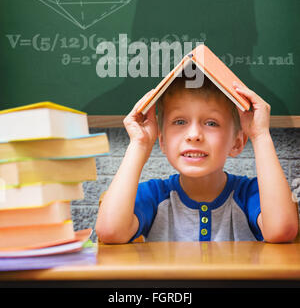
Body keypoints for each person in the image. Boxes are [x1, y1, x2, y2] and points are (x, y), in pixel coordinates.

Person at [95, 74, 299, 244]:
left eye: (211, 123)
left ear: (236, 143)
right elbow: (110, 232)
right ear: (163, 142)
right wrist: (139, 144)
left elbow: (281, 230)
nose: (194, 135)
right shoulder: (155, 195)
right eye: (180, 121)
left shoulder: (250, 194)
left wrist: (260, 135)